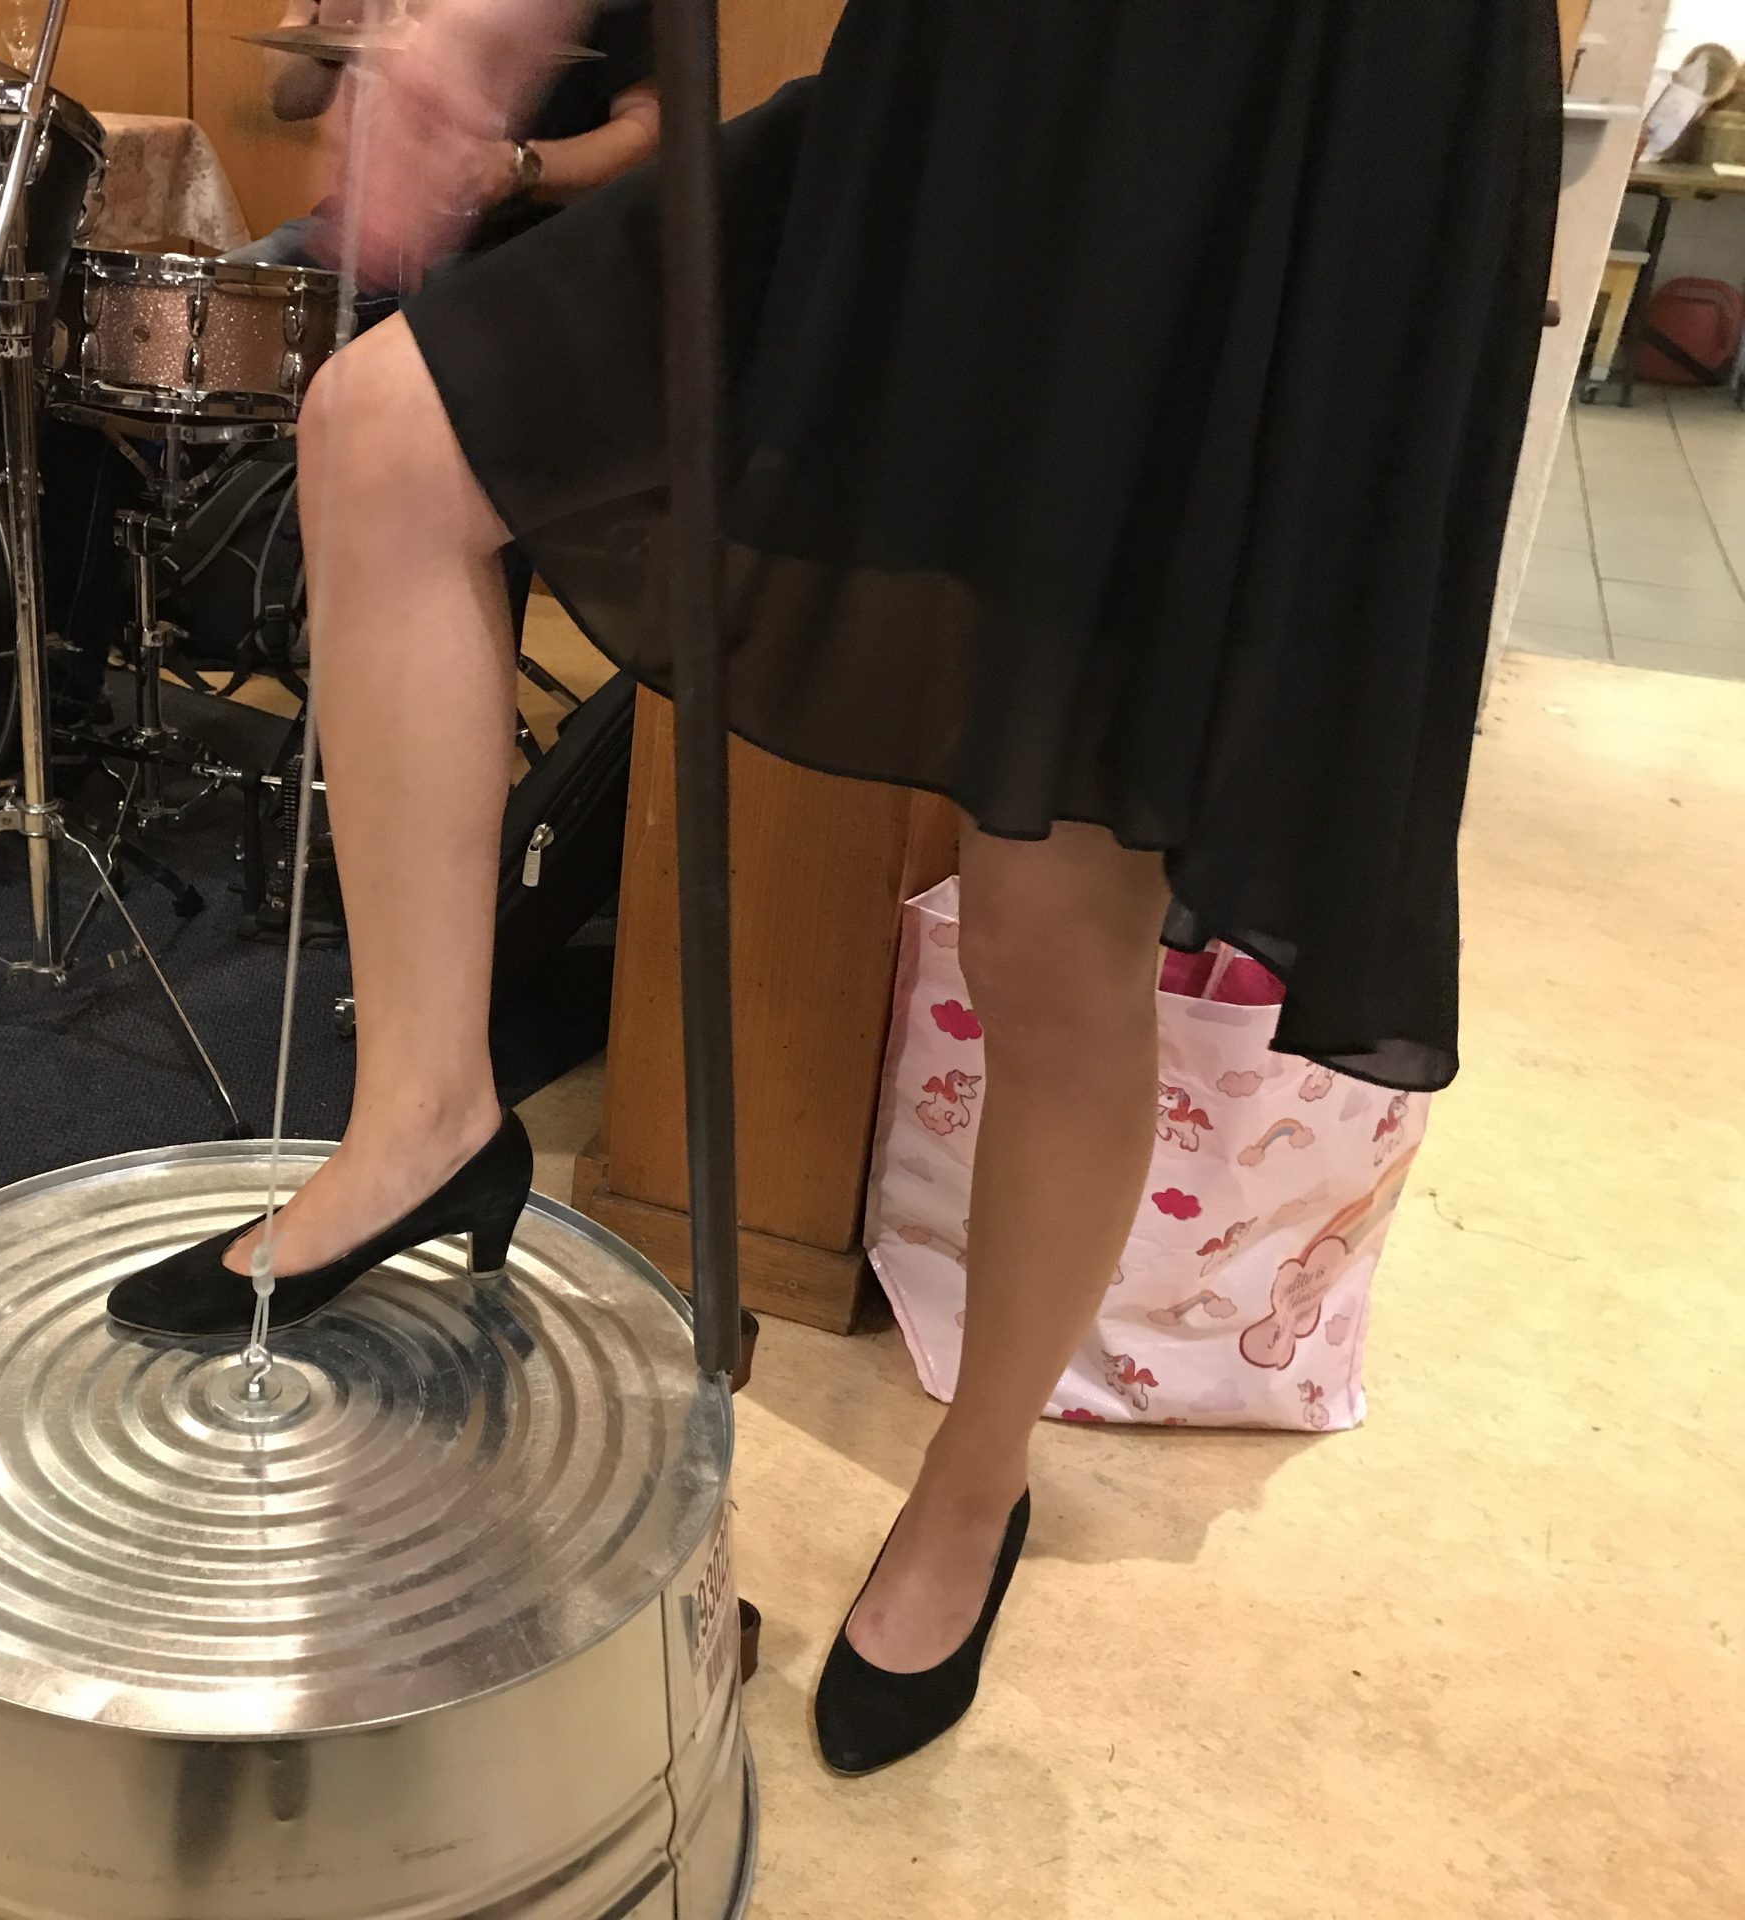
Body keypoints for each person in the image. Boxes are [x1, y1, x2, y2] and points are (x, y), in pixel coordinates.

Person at [111, 0, 1558, 1775]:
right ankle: (424, 1122)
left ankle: (978, 1482)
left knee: (1052, 916)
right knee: (387, 433)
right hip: (968, 82)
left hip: (1277, 123)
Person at [229, 0, 661, 273]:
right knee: (213, 305)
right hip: (349, 235)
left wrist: (517, 166)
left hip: (520, 242)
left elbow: (648, 130)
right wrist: (330, 30)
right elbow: (287, 101)